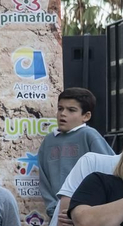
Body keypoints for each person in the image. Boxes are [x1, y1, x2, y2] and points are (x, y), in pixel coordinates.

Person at [36, 88, 112, 217]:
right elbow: (44, 179)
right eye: (60, 108)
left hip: (88, 213)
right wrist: (53, 208)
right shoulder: (49, 140)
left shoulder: (90, 135)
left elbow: (109, 171)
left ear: (86, 116)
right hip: (58, 214)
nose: (63, 114)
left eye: (71, 110)